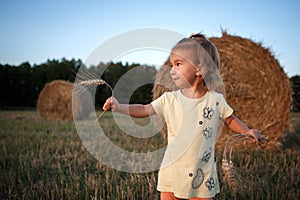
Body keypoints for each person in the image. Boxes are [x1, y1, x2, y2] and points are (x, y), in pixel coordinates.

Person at [103, 33, 262, 200]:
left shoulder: (215, 100)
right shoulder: (169, 99)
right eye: (171, 65)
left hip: (201, 173)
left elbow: (230, 119)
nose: (172, 70)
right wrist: (118, 107)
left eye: (178, 64)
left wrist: (246, 131)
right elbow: (144, 109)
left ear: (200, 69)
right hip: (172, 171)